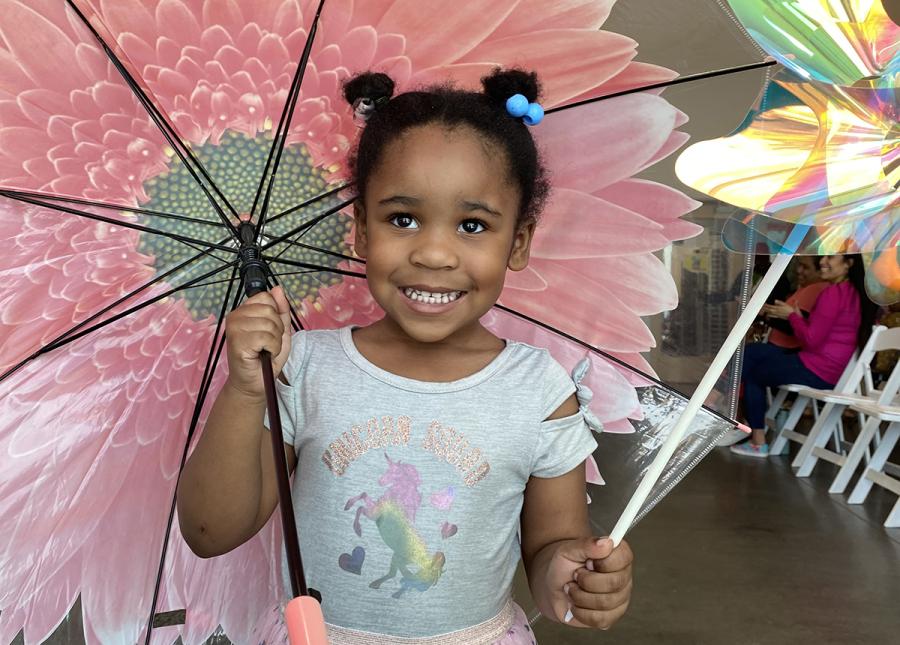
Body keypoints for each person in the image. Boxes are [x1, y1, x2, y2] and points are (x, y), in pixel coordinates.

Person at [176, 68, 633, 643]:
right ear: (362, 231)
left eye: (472, 224)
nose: (435, 253)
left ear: (518, 242)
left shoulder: (539, 388)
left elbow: (548, 551)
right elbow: (208, 530)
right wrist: (245, 390)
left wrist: (571, 574)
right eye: (402, 219)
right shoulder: (302, 369)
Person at [731, 253, 877, 458]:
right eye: (823, 258)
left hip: (818, 369)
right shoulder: (854, 293)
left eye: (831, 258)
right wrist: (797, 317)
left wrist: (790, 316)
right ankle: (732, 413)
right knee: (754, 352)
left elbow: (811, 341)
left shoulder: (832, 294)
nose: (823, 262)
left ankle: (757, 440)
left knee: (755, 373)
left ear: (849, 264)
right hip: (833, 369)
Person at [764, 255, 827, 350]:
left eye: (805, 267)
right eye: (799, 265)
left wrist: (766, 314)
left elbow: (791, 327)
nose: (798, 270)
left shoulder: (815, 289)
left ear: (820, 271)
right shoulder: (807, 286)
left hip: (784, 350)